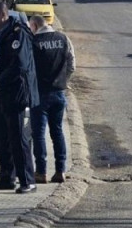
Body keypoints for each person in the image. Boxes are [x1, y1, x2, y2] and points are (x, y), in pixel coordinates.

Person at [0, 0, 39, 194]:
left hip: (16, 93)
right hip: (1, 94)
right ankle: (7, 177)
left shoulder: (18, 33)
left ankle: (27, 180)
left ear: (3, 15)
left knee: (18, 139)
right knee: (1, 138)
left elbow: (20, 65)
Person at [28, 15, 75, 184]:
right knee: (57, 132)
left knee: (39, 134)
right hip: (59, 92)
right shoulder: (63, 39)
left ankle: (41, 172)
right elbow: (72, 64)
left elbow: (28, 68)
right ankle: (60, 170)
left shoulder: (34, 42)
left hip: (40, 93)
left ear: (34, 26)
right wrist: (63, 80)